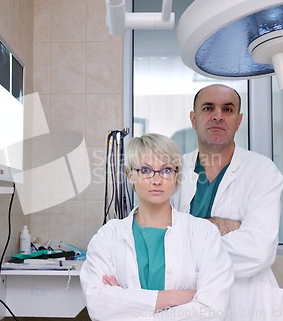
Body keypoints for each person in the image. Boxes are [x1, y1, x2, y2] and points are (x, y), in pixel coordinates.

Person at [80, 133, 234, 321]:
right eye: (145, 170)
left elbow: (212, 309)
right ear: (130, 175)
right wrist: (172, 298)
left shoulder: (203, 234)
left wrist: (126, 303)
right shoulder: (109, 235)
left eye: (166, 170)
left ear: (176, 176)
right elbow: (98, 305)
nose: (156, 180)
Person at [174, 84, 283, 320]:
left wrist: (185, 239)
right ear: (194, 118)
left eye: (227, 110)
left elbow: (258, 250)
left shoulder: (261, 171)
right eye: (208, 108)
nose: (218, 115)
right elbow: (156, 236)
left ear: (238, 121)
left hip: (247, 307)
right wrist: (227, 226)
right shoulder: (173, 170)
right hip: (187, 306)